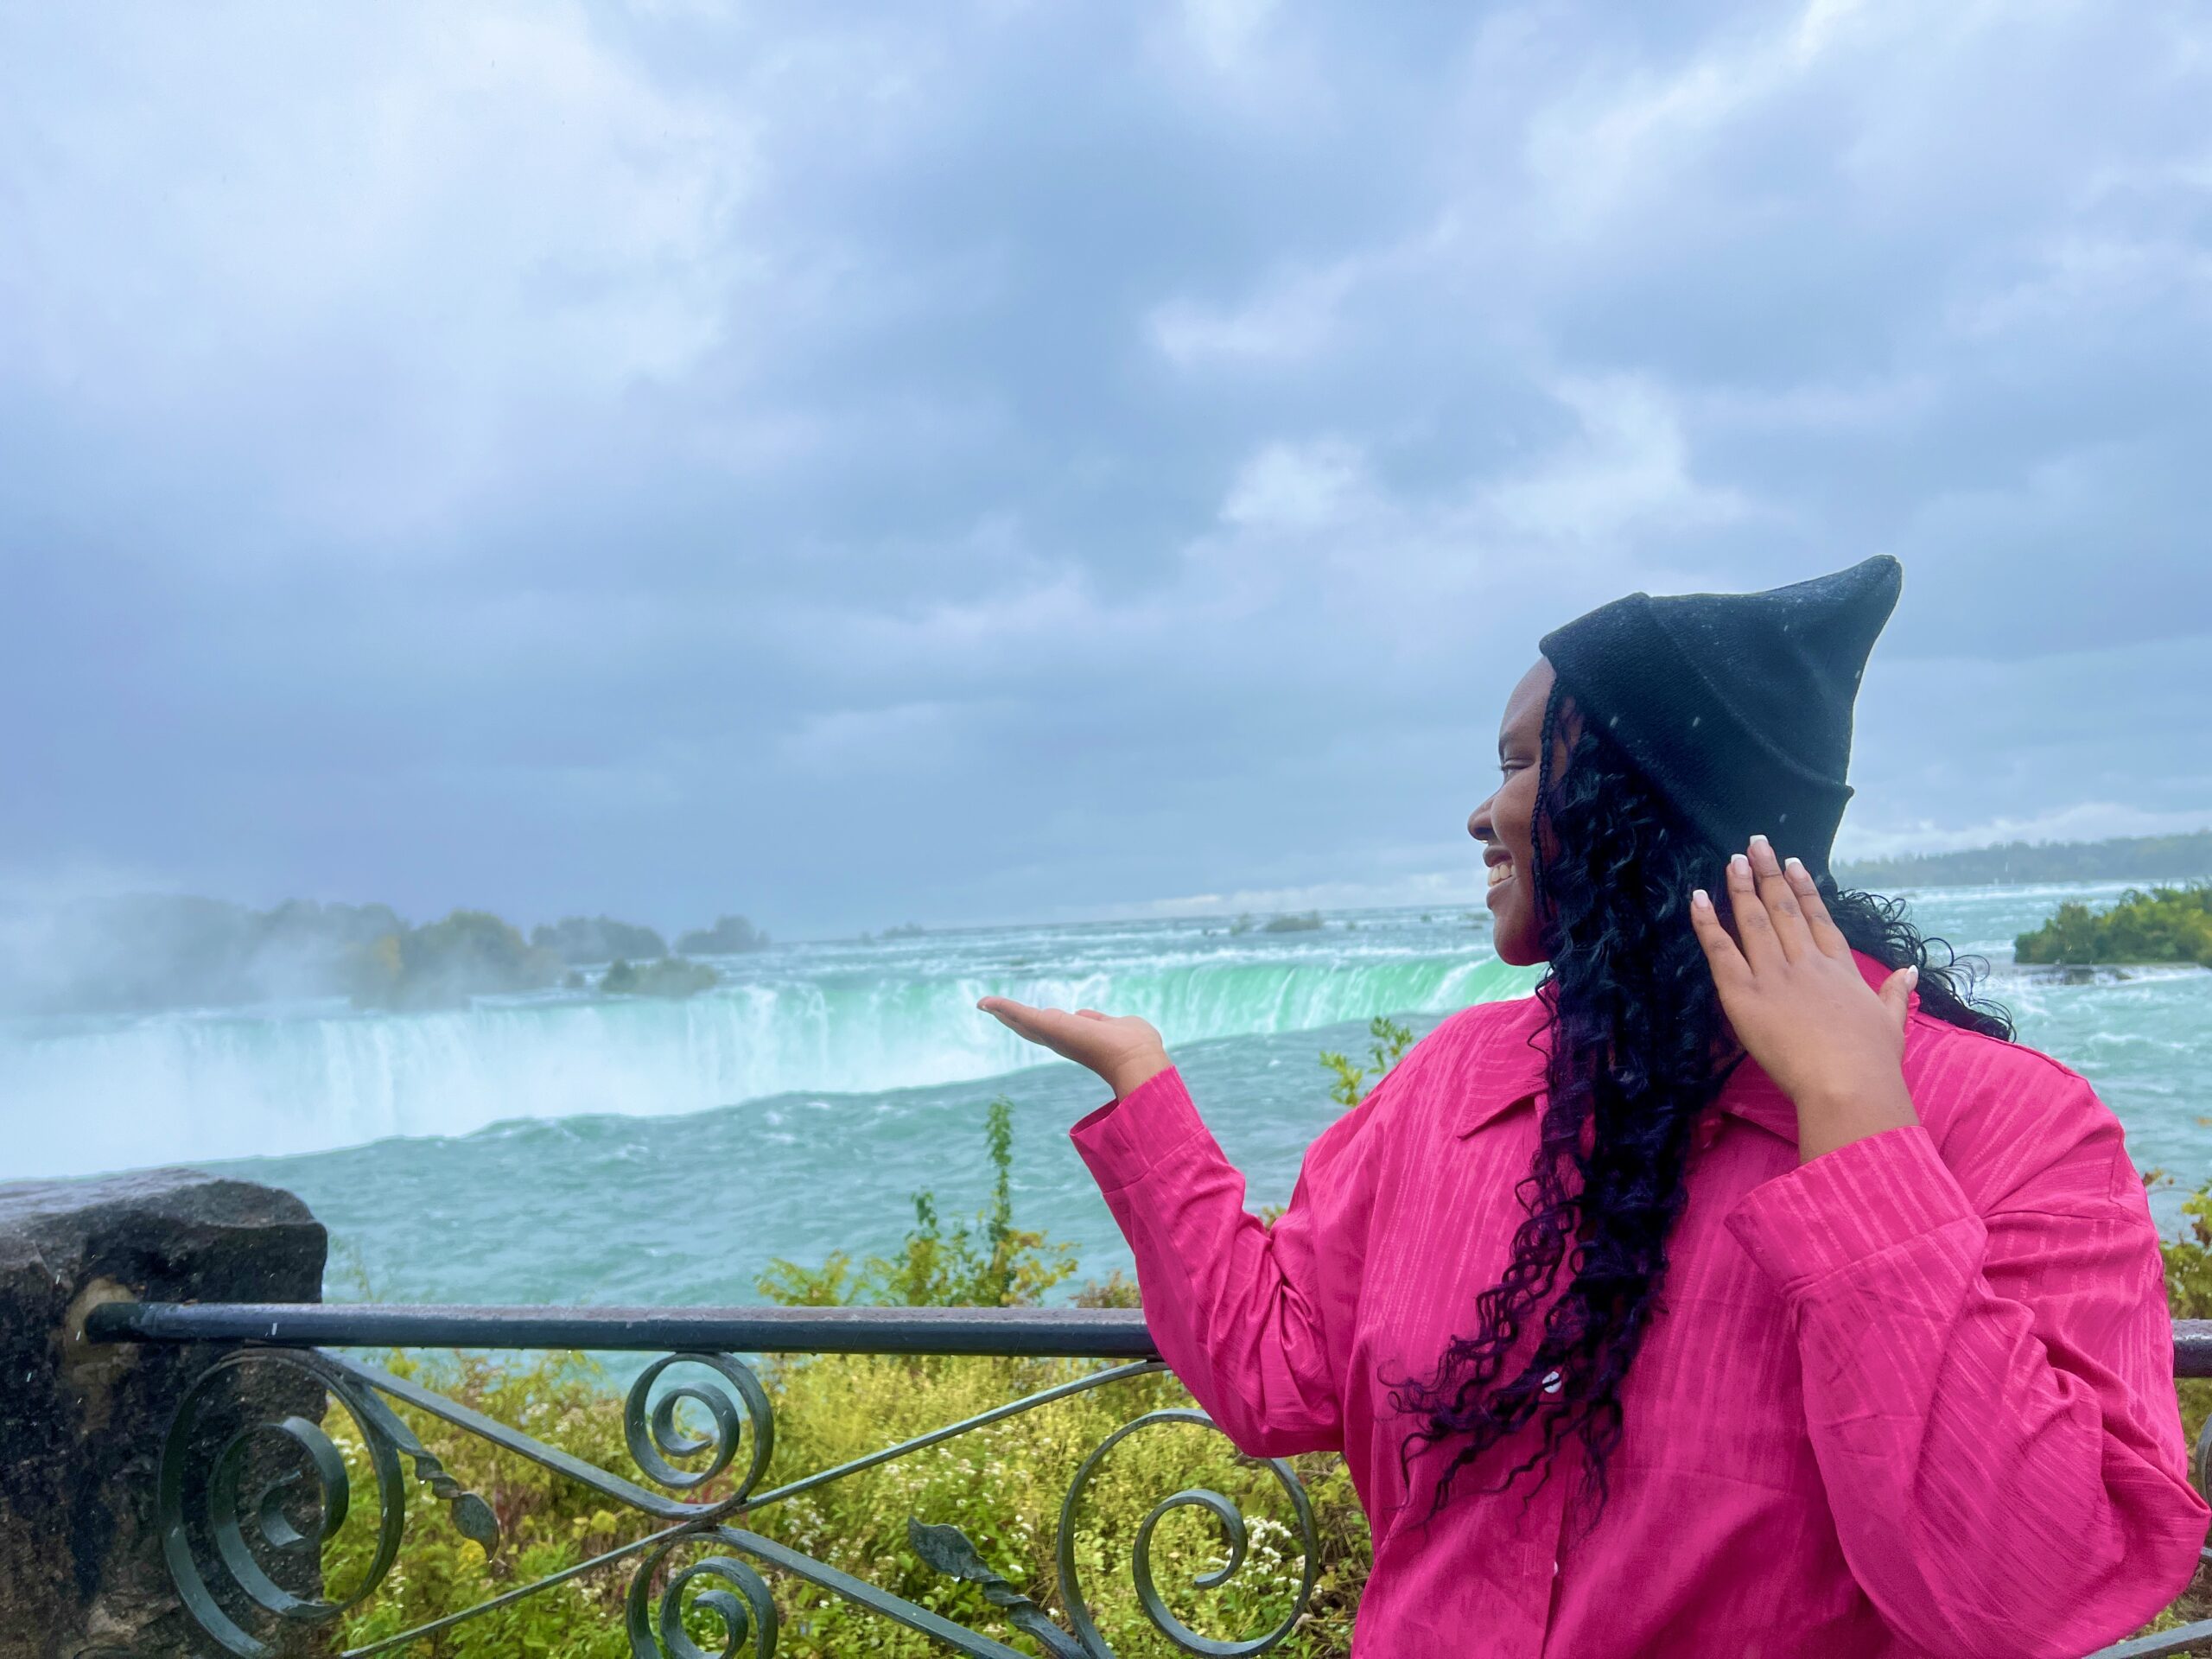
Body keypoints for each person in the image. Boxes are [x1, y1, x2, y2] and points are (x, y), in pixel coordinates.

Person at [979, 556, 2208, 1657]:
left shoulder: (2011, 1129)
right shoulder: (1456, 1084)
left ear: (1646, 805)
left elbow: (2023, 1594)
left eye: (1519, 762)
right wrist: (1145, 1093)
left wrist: (1856, 1124)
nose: (1479, 812)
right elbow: (1277, 1378)